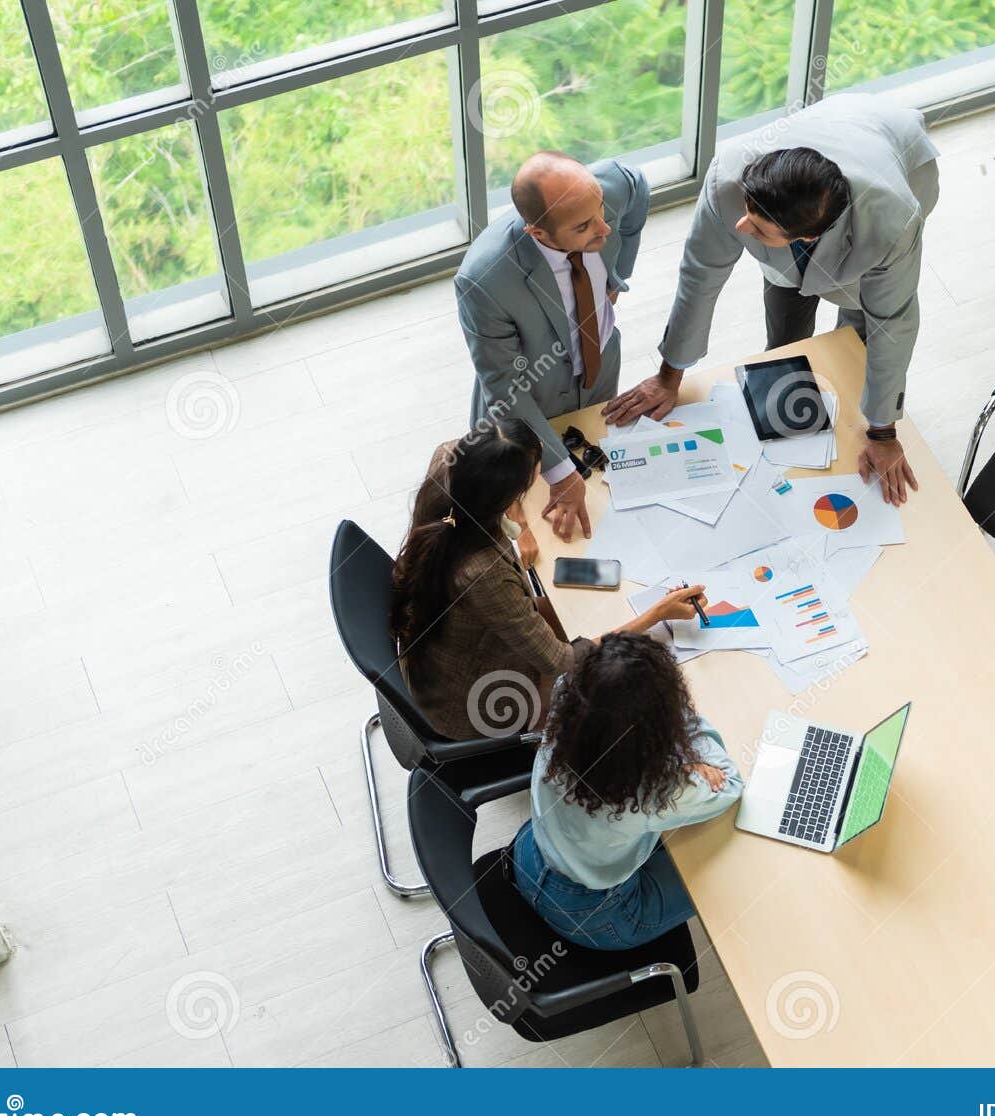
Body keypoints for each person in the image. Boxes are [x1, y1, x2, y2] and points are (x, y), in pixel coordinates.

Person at [604, 93, 940, 506]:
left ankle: (856, 403)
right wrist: (669, 375)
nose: (742, 226)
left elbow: (894, 319)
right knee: (785, 313)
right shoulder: (730, 179)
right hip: (830, 137)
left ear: (808, 235)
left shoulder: (891, 223)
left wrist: (884, 433)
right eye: (747, 212)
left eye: (759, 229)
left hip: (895, 151)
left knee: (860, 325)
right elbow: (700, 275)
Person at [393, 418, 705, 741]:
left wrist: (521, 524)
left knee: (571, 612)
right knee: (611, 693)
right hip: (470, 704)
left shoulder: (448, 466)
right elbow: (563, 663)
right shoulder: (483, 575)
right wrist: (657, 614)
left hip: (439, 652)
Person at [455, 150, 650, 547]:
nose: (603, 228)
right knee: (521, 525)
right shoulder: (483, 280)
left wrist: (618, 277)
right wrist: (560, 472)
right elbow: (505, 387)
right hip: (529, 400)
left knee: (599, 501)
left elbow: (637, 189)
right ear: (538, 234)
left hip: (598, 372)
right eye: (584, 226)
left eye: (601, 212)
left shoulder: (608, 188)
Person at [509, 632, 743, 951]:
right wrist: (677, 715)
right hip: (595, 914)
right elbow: (729, 783)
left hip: (532, 853)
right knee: (734, 873)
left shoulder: (566, 698)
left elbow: (604, 677)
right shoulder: (652, 791)